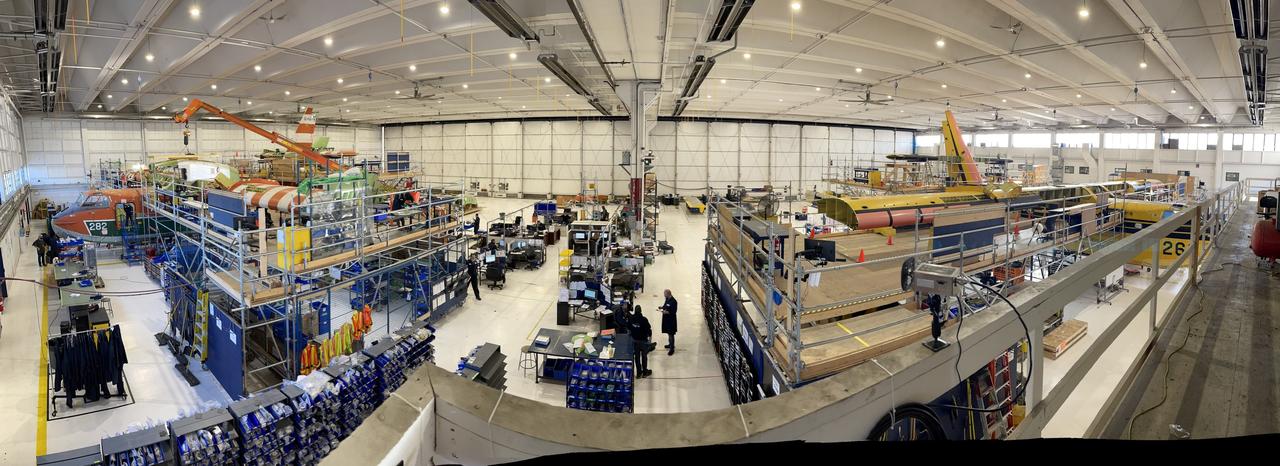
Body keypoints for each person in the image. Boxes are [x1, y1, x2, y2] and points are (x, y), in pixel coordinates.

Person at [628, 305, 653, 378]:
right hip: (643, 341)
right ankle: (645, 372)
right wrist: (650, 336)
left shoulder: (631, 318)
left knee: (637, 357)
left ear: (635, 311)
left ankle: (639, 373)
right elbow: (648, 329)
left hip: (635, 341)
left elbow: (628, 327)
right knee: (644, 356)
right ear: (641, 311)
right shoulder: (644, 319)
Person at [659, 289, 678, 355]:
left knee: (671, 334)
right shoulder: (667, 299)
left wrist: (666, 312)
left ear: (668, 294)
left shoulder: (674, 301)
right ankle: (670, 344)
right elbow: (665, 305)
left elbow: (673, 312)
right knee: (668, 333)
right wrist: (662, 307)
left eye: (665, 294)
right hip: (667, 320)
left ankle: (672, 349)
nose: (664, 295)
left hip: (671, 321)